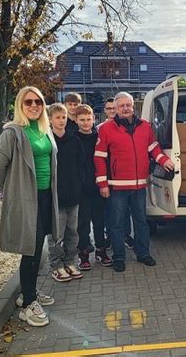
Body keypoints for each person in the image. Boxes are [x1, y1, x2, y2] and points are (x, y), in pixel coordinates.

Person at [0, 87, 59, 327]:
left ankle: (27, 293)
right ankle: (28, 304)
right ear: (20, 104)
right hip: (26, 199)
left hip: (45, 196)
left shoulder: (44, 129)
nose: (34, 106)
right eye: (28, 102)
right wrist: (12, 191)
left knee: (37, 248)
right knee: (30, 249)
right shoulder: (13, 132)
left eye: (38, 102)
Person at [94, 92, 174, 272]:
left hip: (139, 186)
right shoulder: (106, 129)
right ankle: (119, 257)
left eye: (128, 105)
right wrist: (103, 184)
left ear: (132, 106)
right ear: (115, 109)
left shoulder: (145, 127)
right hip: (117, 187)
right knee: (116, 224)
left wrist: (164, 161)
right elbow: (99, 158)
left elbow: (153, 148)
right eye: (121, 105)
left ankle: (143, 253)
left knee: (141, 222)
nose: (125, 108)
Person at [46, 103, 85, 282]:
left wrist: (80, 186)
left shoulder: (74, 140)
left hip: (73, 194)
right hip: (56, 196)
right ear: (50, 119)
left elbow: (81, 165)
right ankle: (56, 265)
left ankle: (70, 262)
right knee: (56, 234)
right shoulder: (47, 141)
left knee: (72, 231)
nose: (61, 121)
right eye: (57, 117)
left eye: (63, 117)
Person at [76, 104, 112, 270]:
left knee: (99, 221)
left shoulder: (99, 137)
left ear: (94, 119)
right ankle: (83, 254)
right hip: (81, 189)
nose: (85, 123)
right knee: (82, 223)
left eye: (88, 119)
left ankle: (101, 251)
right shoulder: (73, 139)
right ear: (76, 120)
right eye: (82, 120)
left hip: (98, 186)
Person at [97, 98, 134, 250]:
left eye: (114, 108)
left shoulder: (127, 126)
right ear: (105, 111)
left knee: (124, 210)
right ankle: (110, 236)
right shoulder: (100, 128)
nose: (112, 111)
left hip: (121, 178)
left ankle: (126, 235)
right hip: (107, 177)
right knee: (108, 210)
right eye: (109, 108)